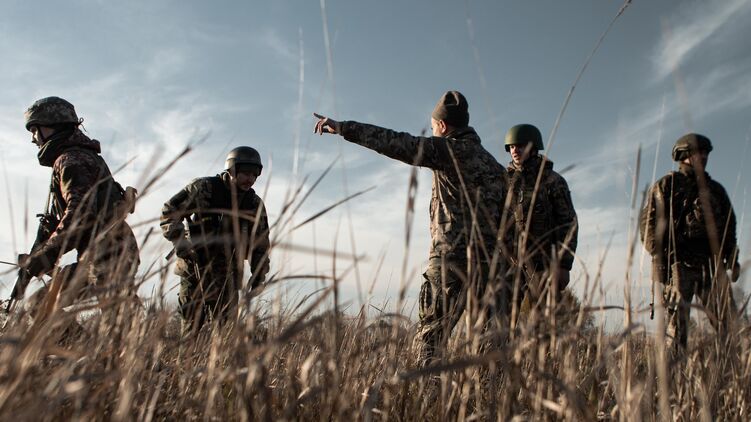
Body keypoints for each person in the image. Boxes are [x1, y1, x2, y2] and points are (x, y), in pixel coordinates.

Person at [313, 91, 509, 367]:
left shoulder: (447, 150)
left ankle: (426, 405)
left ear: (442, 126)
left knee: (430, 342)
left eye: (433, 127)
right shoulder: (496, 168)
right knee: (490, 348)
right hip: (492, 268)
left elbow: (397, 143)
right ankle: (489, 407)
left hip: (451, 262)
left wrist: (345, 128)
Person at [15, 96, 139, 308]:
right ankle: (93, 342)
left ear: (52, 127)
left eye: (35, 130)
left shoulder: (71, 160)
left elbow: (80, 215)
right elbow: (62, 220)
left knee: (118, 323)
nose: (33, 139)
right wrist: (34, 263)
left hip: (107, 253)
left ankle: (130, 340)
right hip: (104, 252)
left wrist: (47, 255)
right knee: (38, 306)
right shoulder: (75, 157)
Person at [640, 133, 740, 351]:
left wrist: (732, 258)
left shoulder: (716, 191)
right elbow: (649, 226)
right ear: (684, 154)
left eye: (705, 152)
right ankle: (671, 382)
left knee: (731, 328)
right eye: (697, 152)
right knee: (676, 333)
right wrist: (658, 257)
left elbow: (728, 228)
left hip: (711, 267)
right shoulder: (667, 185)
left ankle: (735, 378)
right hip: (678, 266)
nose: (703, 157)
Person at [161, 146, 270, 334]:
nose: (250, 179)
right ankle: (185, 363)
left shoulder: (254, 204)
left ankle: (220, 364)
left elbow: (260, 244)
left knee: (226, 332)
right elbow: (170, 211)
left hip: (228, 275)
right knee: (190, 329)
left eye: (254, 175)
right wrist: (180, 241)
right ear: (232, 169)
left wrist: (258, 277)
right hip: (194, 269)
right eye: (245, 173)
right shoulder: (204, 188)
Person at [503, 124, 578, 320]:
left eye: (520, 145)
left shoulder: (552, 181)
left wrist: (564, 265)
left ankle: (542, 352)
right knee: (500, 321)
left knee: (541, 324)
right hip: (509, 261)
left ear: (534, 147)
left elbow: (568, 224)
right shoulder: (502, 180)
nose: (515, 150)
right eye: (511, 146)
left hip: (544, 264)